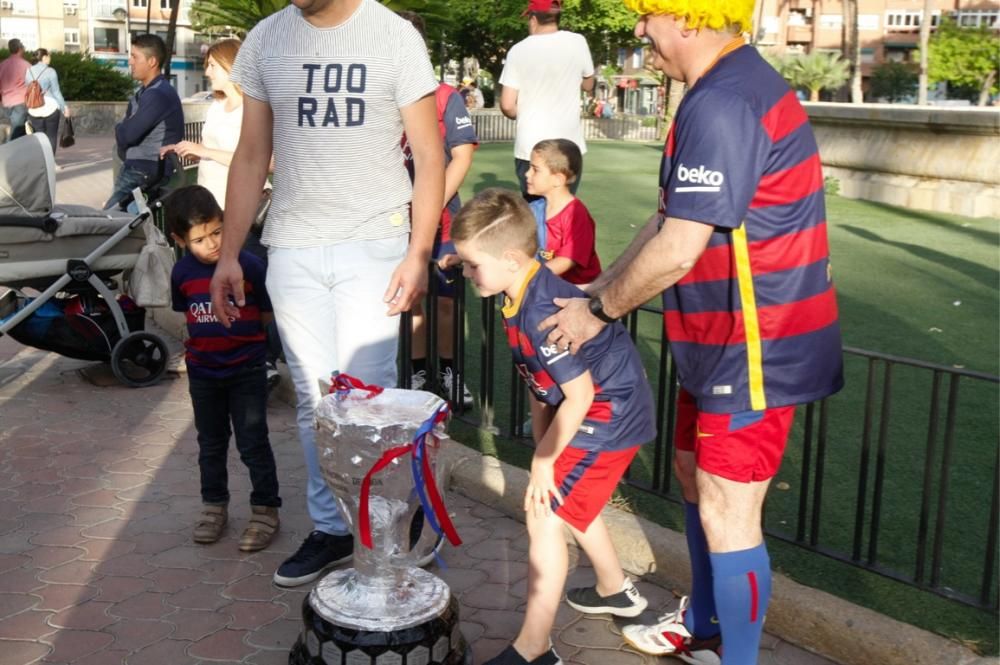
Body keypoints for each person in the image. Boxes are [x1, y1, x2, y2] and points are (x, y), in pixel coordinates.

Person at [537, 0, 844, 661]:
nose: (640, 30)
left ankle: (736, 654)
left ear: (691, 16)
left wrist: (597, 312)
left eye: (650, 14)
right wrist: (599, 286)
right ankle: (705, 623)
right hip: (720, 338)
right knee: (692, 475)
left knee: (731, 510)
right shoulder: (716, 92)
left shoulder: (726, 99)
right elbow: (667, 218)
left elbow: (679, 246)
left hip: (757, 343)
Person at [210, 0, 445, 588]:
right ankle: (334, 529)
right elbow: (250, 154)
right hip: (292, 245)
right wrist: (230, 253)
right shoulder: (266, 39)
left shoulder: (392, 34)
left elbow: (431, 152)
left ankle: (381, 534)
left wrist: (418, 252)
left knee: (367, 404)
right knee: (318, 405)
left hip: (375, 242)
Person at [451, 188, 655, 665]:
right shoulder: (514, 293)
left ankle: (534, 648)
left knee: (545, 512)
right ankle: (614, 590)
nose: (464, 273)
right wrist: (545, 446)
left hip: (609, 413)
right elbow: (541, 383)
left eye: (470, 264)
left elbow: (581, 395)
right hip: (592, 409)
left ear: (510, 257)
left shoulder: (540, 310)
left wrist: (544, 462)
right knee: (567, 501)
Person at [160, 38, 283, 391]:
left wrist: (207, 151)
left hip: (241, 210)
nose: (207, 71)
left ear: (232, 66)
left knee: (249, 283)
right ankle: (215, 347)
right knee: (207, 285)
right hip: (210, 207)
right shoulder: (217, 107)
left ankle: (264, 359)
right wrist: (195, 154)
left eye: (213, 64)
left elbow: (266, 163)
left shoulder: (253, 108)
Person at [164, 185, 282, 553]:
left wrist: (250, 345)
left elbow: (265, 311)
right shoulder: (181, 273)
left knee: (253, 442)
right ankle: (214, 506)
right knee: (210, 444)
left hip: (246, 370)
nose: (212, 244)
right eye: (199, 239)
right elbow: (187, 312)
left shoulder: (249, 266)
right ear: (179, 239)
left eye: (217, 231)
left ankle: (265, 510)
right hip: (203, 373)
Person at [397, 10, 479, 409]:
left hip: (444, 221)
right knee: (411, 298)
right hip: (395, 220)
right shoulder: (381, 93)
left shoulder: (446, 96)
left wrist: (430, 205)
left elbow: (461, 157)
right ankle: (416, 371)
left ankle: (449, 370)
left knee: (446, 303)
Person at [499, 0, 595, 200]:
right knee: (563, 207)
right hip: (568, 146)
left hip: (530, 146)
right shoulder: (578, 42)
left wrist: (524, 112)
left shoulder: (518, 50)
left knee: (534, 209)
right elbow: (588, 84)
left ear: (533, 19)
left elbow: (507, 105)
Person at [105, 34, 183, 210]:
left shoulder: (157, 94)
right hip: (139, 169)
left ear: (152, 62)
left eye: (135, 57)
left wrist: (120, 128)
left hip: (145, 172)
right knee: (117, 223)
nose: (130, 62)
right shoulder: (144, 93)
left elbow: (127, 135)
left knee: (107, 221)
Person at [525, 138, 601, 286]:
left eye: (535, 169)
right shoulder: (535, 208)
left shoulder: (576, 214)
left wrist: (528, 277)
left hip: (577, 290)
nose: (527, 174)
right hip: (548, 283)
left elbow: (567, 260)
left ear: (558, 179)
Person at [25, 49, 69, 156]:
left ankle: (41, 163)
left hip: (34, 108)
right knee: (51, 136)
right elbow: (56, 92)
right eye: (49, 56)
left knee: (39, 137)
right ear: (44, 57)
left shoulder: (28, 71)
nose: (50, 58)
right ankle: (51, 163)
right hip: (50, 107)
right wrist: (65, 108)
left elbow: (28, 88)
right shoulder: (51, 71)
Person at [0, 39, 31, 141]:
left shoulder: (2, 65)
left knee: (18, 129)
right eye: (23, 47)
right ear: (19, 49)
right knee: (16, 131)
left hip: (6, 102)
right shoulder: (25, 65)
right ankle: (10, 152)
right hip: (20, 102)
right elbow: (33, 84)